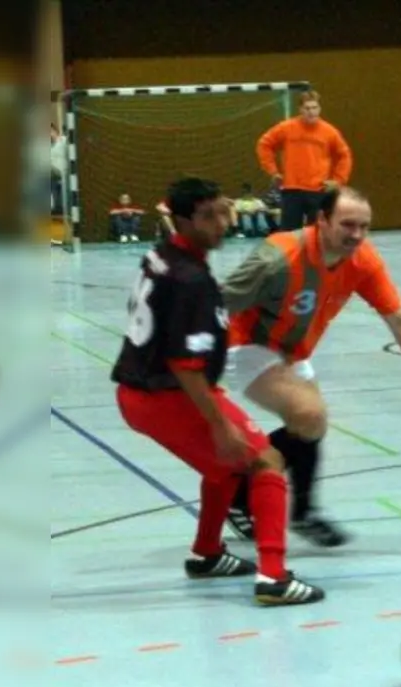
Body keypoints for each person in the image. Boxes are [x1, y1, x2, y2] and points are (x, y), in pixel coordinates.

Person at [110, 177, 323, 606]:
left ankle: (207, 554)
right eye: (208, 216)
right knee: (264, 460)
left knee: (224, 468)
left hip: (140, 392)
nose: (222, 223)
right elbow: (185, 366)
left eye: (224, 211)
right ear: (183, 220)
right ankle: (273, 578)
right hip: (165, 395)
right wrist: (220, 422)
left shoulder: (161, 257)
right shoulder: (192, 281)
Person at [221, 186, 401, 546]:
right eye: (347, 224)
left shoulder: (362, 260)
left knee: (308, 427)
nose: (356, 234)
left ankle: (261, 501)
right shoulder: (279, 256)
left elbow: (398, 319)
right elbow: (219, 301)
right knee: (311, 414)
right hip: (247, 344)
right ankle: (274, 505)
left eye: (364, 226)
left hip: (294, 349)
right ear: (322, 220)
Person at [256, 91, 352, 232]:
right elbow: (264, 144)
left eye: (314, 108)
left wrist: (338, 180)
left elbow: (345, 155)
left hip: (319, 190)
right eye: (307, 108)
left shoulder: (330, 132)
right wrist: (273, 171)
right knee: (289, 235)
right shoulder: (286, 128)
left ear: (319, 109)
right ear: (300, 109)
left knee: (318, 234)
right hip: (292, 190)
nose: (311, 112)